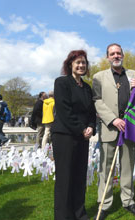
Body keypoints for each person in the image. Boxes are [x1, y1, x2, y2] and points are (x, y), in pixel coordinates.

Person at [92, 43, 135, 220]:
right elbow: (97, 101)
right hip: (109, 128)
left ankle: (128, 200)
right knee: (105, 168)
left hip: (129, 129)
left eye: (118, 53)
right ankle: (104, 203)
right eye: (112, 54)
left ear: (122, 55)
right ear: (108, 57)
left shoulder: (134, 75)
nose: (116, 56)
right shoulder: (99, 77)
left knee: (127, 166)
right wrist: (113, 119)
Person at [51, 50, 96, 220]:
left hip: (82, 137)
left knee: (79, 177)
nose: (81, 65)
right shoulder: (61, 83)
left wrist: (91, 127)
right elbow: (64, 110)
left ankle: (80, 213)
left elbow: (91, 112)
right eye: (77, 62)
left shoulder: (86, 87)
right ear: (70, 65)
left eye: (83, 62)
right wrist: (81, 129)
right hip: (64, 136)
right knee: (65, 178)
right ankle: (63, 216)